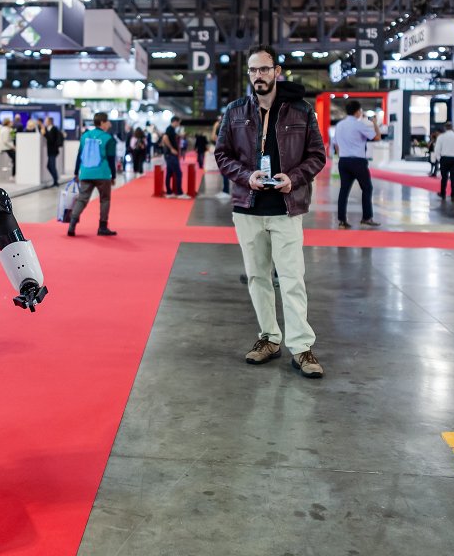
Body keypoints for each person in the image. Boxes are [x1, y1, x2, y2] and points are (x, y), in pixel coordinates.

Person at [214, 44, 326, 377]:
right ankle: (269, 338)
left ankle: (302, 347)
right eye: (253, 70)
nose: (258, 75)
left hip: (286, 208)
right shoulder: (235, 111)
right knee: (257, 277)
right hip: (247, 208)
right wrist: (246, 176)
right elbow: (222, 155)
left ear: (277, 71)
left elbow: (317, 155)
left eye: (264, 69)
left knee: (292, 278)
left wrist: (294, 178)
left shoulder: (301, 111)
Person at [333, 100, 382, 229]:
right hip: (358, 162)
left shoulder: (340, 125)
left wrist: (342, 154)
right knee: (367, 188)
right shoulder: (359, 125)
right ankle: (366, 218)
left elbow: (336, 144)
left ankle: (342, 221)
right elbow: (377, 137)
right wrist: (375, 123)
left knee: (344, 191)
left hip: (343, 161)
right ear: (358, 111)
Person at [67, 112, 117, 237]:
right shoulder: (108, 138)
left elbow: (79, 155)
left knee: (82, 199)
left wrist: (76, 172)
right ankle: (102, 227)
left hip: (85, 172)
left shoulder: (85, 136)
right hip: (102, 173)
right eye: (107, 122)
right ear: (102, 123)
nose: (109, 124)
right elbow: (111, 159)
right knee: (105, 199)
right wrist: (113, 175)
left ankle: (72, 225)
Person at [434, 123, 454, 202]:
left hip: (445, 158)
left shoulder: (441, 137)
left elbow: (437, 148)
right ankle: (453, 194)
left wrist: (438, 158)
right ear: (452, 128)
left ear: (445, 128)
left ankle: (443, 193)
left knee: (444, 177)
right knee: (453, 177)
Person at [161, 116, 187, 198]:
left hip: (170, 155)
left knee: (169, 173)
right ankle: (179, 193)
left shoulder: (172, 130)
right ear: (175, 121)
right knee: (178, 173)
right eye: (178, 122)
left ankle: (169, 192)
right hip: (170, 155)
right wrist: (171, 148)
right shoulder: (170, 129)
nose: (179, 124)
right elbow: (165, 138)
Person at [41, 117, 63, 185]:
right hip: (50, 150)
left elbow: (51, 139)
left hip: (53, 150)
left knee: (52, 166)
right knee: (49, 166)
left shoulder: (54, 129)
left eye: (46, 121)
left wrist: (45, 134)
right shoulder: (48, 128)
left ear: (49, 121)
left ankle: (55, 181)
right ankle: (55, 179)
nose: (45, 122)